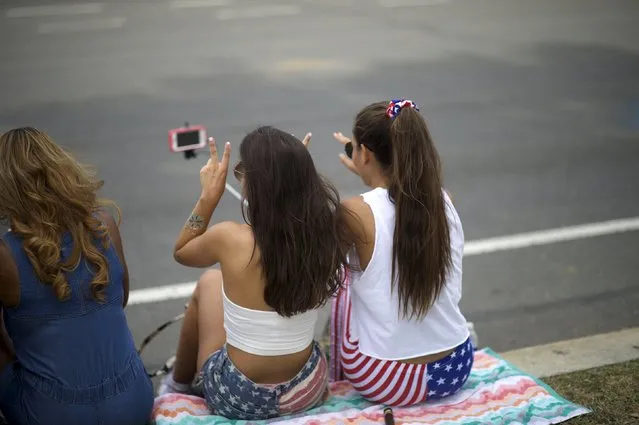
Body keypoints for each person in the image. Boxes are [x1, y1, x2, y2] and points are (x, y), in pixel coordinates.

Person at [160, 126, 349, 420]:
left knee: (211, 281)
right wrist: (292, 173)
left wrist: (210, 196)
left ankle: (175, 385)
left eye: (241, 171)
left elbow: (182, 251)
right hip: (307, 390)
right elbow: (295, 215)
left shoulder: (229, 238)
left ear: (255, 184)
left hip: (239, 396)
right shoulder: (324, 232)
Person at [0, 127, 154, 424]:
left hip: (51, 413)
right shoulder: (104, 224)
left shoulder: (6, 255)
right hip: (132, 402)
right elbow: (119, 300)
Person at [329, 99, 473, 407]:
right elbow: (396, 203)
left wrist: (371, 185)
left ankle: (333, 374)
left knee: (342, 279)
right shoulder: (442, 200)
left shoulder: (354, 213)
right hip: (456, 365)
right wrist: (374, 178)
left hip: (388, 379)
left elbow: (319, 270)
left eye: (354, 148)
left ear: (364, 154)